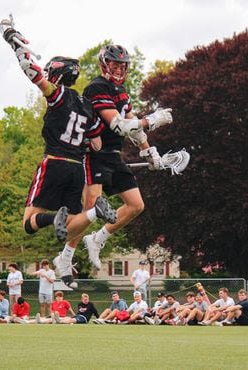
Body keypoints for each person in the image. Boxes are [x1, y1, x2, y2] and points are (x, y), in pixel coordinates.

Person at [1, 26, 118, 289]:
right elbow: (97, 143)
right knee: (74, 223)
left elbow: (34, 75)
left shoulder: (58, 95)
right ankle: (95, 213)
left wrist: (14, 45)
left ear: (56, 74)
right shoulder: (87, 106)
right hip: (77, 168)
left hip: (54, 162)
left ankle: (54, 218)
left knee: (29, 224)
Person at [80, 44, 190, 271]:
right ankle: (66, 254)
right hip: (94, 153)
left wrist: (149, 152)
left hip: (112, 155)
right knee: (90, 209)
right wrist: (152, 120)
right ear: (104, 64)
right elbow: (118, 125)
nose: (119, 69)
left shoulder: (121, 92)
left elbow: (134, 127)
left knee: (136, 205)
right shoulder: (97, 88)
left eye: (122, 65)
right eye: (114, 64)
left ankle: (97, 239)